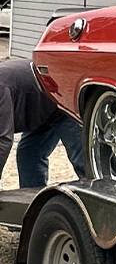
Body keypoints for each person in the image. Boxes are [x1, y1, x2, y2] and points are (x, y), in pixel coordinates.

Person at [0, 59, 86, 187]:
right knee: (29, 155)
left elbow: (3, 140)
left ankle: (104, 199)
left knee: (84, 161)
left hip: (63, 102)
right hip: (38, 110)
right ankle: (32, 200)